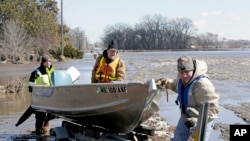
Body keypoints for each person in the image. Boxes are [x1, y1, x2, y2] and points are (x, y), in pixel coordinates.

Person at [156, 55, 219, 141]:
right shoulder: (181, 79)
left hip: (203, 121)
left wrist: (196, 120)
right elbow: (176, 85)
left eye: (187, 72)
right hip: (186, 116)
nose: (184, 75)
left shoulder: (202, 85)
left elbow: (212, 109)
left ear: (192, 70)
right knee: (178, 139)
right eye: (181, 73)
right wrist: (165, 82)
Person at [16, 55, 55, 135]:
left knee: (52, 114)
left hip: (50, 98)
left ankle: (45, 130)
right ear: (42, 62)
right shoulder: (36, 72)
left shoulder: (53, 72)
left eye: (50, 61)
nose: (48, 63)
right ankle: (39, 131)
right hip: (39, 99)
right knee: (40, 115)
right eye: (46, 61)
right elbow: (30, 87)